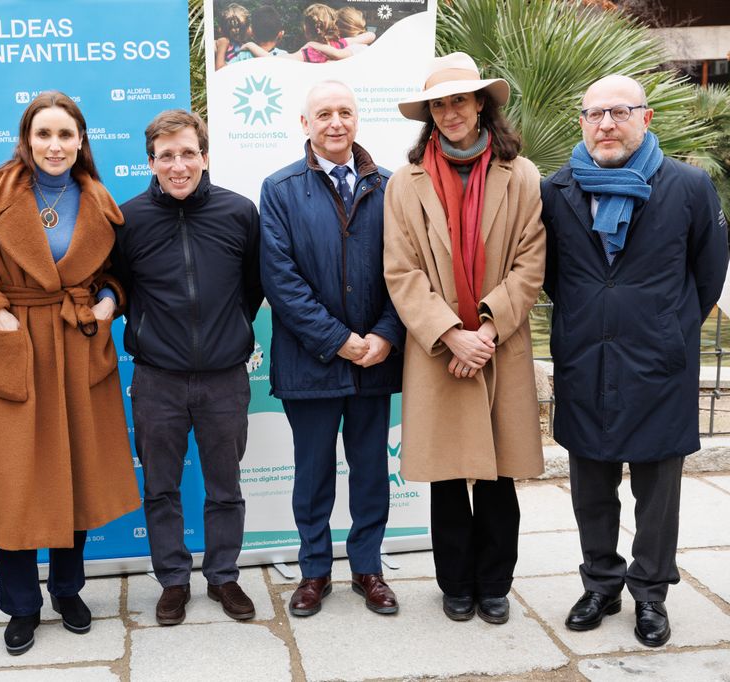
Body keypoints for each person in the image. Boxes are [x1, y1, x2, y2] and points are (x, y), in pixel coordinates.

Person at [0, 91, 141, 655]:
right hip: (20, 347)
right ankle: (20, 605)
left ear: (82, 142)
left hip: (79, 348)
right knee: (18, 482)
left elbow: (119, 275)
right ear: (27, 140)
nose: (55, 146)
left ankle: (69, 590)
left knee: (75, 473)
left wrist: (108, 301)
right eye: (44, 134)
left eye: (66, 135)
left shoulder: (100, 200)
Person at [541, 74, 729, 647]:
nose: (606, 124)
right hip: (586, 361)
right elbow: (551, 275)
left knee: (658, 491)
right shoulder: (557, 189)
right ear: (581, 122)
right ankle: (600, 581)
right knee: (590, 485)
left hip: (659, 364)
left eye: (619, 112)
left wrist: (668, 329)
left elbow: (709, 270)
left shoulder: (689, 187)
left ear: (645, 119)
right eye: (595, 114)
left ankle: (650, 593)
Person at [384, 52, 546, 625]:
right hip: (439, 351)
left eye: (460, 99)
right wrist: (452, 335)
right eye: (440, 104)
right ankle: (455, 583)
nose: (450, 112)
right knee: (450, 475)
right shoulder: (405, 183)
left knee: (500, 476)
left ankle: (495, 583)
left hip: (498, 344)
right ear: (430, 113)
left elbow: (530, 264)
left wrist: (486, 329)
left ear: (481, 104)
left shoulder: (521, 174)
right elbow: (401, 272)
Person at [260, 80, 405, 617]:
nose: (335, 122)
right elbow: (281, 280)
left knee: (371, 472)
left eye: (345, 112)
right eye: (324, 113)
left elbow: (407, 272)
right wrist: (338, 340)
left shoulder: (393, 187)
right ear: (305, 124)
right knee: (313, 472)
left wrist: (386, 335)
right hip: (311, 364)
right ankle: (314, 570)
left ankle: (369, 569)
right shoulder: (279, 189)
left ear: (357, 120)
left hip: (375, 362)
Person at [111, 110, 263, 626]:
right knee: (160, 488)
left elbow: (253, 285)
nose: (179, 165)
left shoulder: (239, 213)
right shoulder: (128, 220)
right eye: (167, 156)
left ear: (205, 157)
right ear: (150, 162)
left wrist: (231, 332)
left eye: (188, 153)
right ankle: (173, 581)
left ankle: (223, 576)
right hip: (157, 380)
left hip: (224, 378)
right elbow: (122, 287)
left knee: (226, 487)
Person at [279, 4, 347, 64]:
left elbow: (281, 60)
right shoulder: (341, 44)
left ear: (307, 29)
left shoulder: (308, 53)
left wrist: (311, 44)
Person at [303, 7, 375, 61]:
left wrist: (313, 45)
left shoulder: (357, 47)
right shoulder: (354, 44)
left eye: (334, 24)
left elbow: (337, 54)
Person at [215, 2, 251, 70]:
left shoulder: (245, 44)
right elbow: (220, 70)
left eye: (240, 26)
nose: (236, 30)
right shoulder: (224, 43)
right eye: (231, 27)